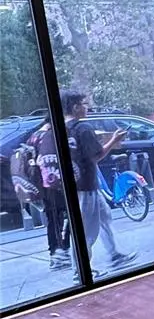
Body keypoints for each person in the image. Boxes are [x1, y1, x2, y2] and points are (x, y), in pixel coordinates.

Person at [61, 92, 137, 272]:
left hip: (78, 181)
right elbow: (96, 155)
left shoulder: (63, 128)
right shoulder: (83, 128)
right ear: (75, 107)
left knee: (104, 218)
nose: (87, 107)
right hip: (87, 184)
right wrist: (114, 140)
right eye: (84, 104)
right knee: (87, 230)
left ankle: (114, 254)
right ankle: (80, 270)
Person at [28, 120, 73, 270]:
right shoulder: (49, 136)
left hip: (41, 185)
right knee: (72, 216)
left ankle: (55, 253)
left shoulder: (33, 136)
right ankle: (62, 251)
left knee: (53, 220)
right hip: (54, 183)